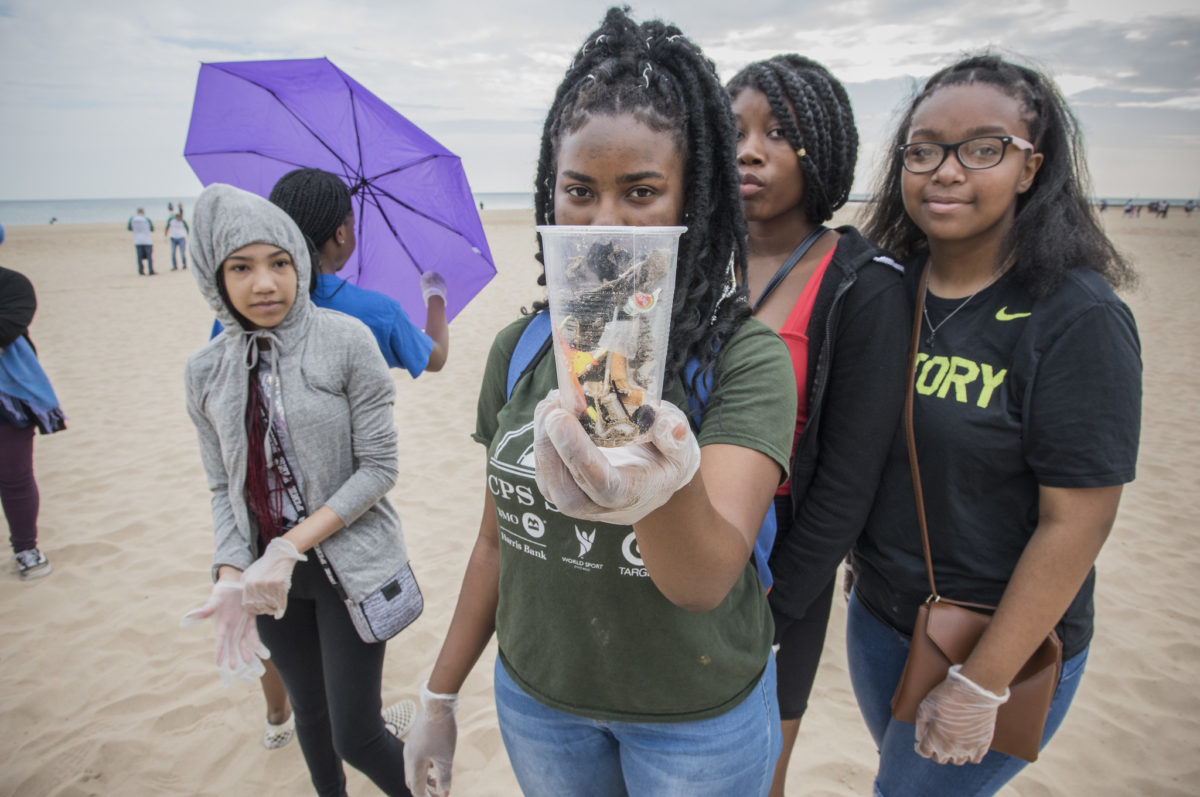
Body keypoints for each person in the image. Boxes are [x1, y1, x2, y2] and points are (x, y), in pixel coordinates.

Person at [402, 8, 796, 797]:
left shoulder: (746, 359)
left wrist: (654, 488)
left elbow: (704, 580)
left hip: (694, 716)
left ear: (696, 202)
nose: (604, 221)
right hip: (541, 703)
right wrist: (440, 692)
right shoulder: (522, 351)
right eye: (578, 190)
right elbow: (495, 544)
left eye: (641, 192)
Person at [848, 53, 1141, 795]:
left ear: (1030, 166)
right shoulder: (886, 288)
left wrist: (982, 681)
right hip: (881, 617)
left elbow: (1078, 521)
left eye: (981, 149)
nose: (945, 170)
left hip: (999, 641)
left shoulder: (1077, 315)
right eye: (923, 149)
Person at [180, 183, 418, 796]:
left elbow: (379, 468)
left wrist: (293, 545)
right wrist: (233, 570)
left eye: (280, 263)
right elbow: (220, 485)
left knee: (356, 733)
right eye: (242, 267)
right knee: (310, 716)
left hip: (349, 567)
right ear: (215, 276)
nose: (265, 283)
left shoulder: (346, 341)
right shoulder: (206, 371)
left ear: (300, 265)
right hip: (268, 579)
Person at [726, 55, 910, 797]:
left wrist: (776, 605)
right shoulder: (691, 262)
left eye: (778, 132)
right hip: (668, 542)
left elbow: (848, 478)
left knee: (752, 775)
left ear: (822, 149)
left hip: (780, 567)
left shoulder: (863, 286)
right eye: (734, 130)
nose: (749, 148)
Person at [238, 166, 445, 751]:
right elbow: (432, 358)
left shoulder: (239, 314)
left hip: (265, 510)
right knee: (341, 641)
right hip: (338, 506)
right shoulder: (369, 312)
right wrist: (435, 298)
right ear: (342, 235)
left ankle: (278, 719)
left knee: (283, 631)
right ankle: (352, 725)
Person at [0, 222, 66, 581]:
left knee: (14, 477)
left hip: (10, 399)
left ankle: (25, 546)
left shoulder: (12, 284)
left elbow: (6, 329)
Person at [128, 208, 155, 275]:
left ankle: (141, 271)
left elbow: (129, 228)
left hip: (137, 240)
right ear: (143, 212)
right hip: (147, 240)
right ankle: (151, 270)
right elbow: (152, 228)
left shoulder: (132, 219)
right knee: (149, 257)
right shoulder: (146, 219)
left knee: (139, 257)